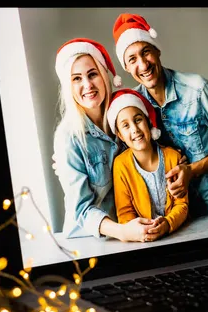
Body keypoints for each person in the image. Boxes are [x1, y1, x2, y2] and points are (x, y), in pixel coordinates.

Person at [112, 13, 208, 217]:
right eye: (132, 59)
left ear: (158, 51)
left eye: (146, 52)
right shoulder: (134, 106)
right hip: (182, 213)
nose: (142, 64)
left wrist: (191, 171)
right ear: (126, 67)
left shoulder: (197, 89)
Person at [53, 37, 158, 242]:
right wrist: (123, 231)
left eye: (93, 74)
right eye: (76, 78)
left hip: (134, 231)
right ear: (68, 86)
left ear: (103, 75)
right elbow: (82, 210)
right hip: (91, 241)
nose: (87, 85)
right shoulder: (68, 137)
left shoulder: (123, 113)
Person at [107, 89, 188, 241]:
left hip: (178, 235)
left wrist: (168, 224)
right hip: (142, 241)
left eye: (138, 120)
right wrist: (141, 231)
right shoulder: (120, 165)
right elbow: (125, 213)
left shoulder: (173, 157)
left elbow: (182, 204)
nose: (135, 129)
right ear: (119, 135)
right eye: (125, 126)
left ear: (148, 121)